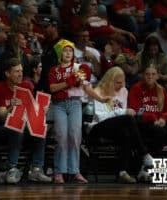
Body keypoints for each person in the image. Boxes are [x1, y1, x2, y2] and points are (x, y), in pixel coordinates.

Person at [48, 39, 108, 184]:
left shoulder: (79, 68)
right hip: (59, 105)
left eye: (70, 51)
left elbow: (87, 88)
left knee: (75, 137)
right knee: (61, 137)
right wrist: (68, 82)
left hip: (75, 104)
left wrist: (100, 99)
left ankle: (75, 171)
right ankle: (59, 172)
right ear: (60, 54)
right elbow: (52, 89)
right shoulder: (54, 70)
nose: (68, 53)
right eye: (65, 51)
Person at [86, 67, 153, 183]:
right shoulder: (98, 91)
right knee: (127, 118)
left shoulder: (123, 91)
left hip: (116, 126)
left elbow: (123, 116)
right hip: (97, 127)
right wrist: (122, 112)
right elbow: (100, 116)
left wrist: (123, 113)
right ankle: (144, 154)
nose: (121, 86)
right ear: (109, 80)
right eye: (118, 83)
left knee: (126, 132)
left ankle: (122, 172)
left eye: (123, 83)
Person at [0, 57, 52, 184]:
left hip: (22, 125)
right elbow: (2, 115)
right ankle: (11, 168)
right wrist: (11, 108)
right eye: (16, 71)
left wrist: (41, 111)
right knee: (17, 127)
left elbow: (31, 112)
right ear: (7, 73)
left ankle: (36, 168)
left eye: (21, 71)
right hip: (1, 127)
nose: (20, 74)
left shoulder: (26, 86)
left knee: (40, 127)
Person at [128, 64, 167, 183]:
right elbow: (134, 109)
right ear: (142, 75)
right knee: (159, 132)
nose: (150, 77)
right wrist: (153, 117)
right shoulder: (136, 88)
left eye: (153, 74)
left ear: (157, 76)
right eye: (147, 74)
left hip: (159, 122)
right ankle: (146, 168)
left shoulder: (161, 90)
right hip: (142, 123)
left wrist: (164, 118)